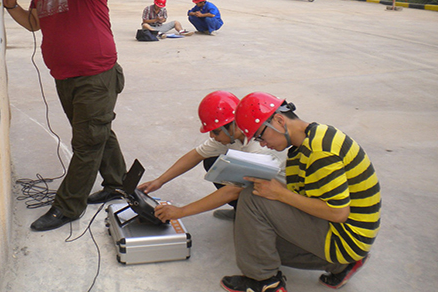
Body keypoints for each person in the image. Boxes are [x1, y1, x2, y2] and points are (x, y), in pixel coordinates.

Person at [0, 0, 127, 232]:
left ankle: (69, 206)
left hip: (95, 74)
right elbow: (33, 23)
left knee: (86, 143)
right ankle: (118, 184)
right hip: (64, 76)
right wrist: (13, 6)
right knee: (98, 134)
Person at [220, 92, 381, 292]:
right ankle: (341, 265)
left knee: (252, 198)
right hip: (352, 236)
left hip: (345, 236)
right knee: (253, 240)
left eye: (260, 135)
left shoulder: (320, 150)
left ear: (279, 120)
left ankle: (264, 282)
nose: (261, 143)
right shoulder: (311, 140)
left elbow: (338, 213)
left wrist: (280, 194)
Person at [138, 91, 285, 222]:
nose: (212, 136)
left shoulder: (261, 147)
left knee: (244, 186)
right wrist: (159, 181)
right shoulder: (231, 135)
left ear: (233, 125)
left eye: (215, 132)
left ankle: (254, 217)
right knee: (211, 161)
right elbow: (196, 155)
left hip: (279, 201)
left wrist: (181, 211)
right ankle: (241, 211)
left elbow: (232, 190)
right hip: (256, 184)